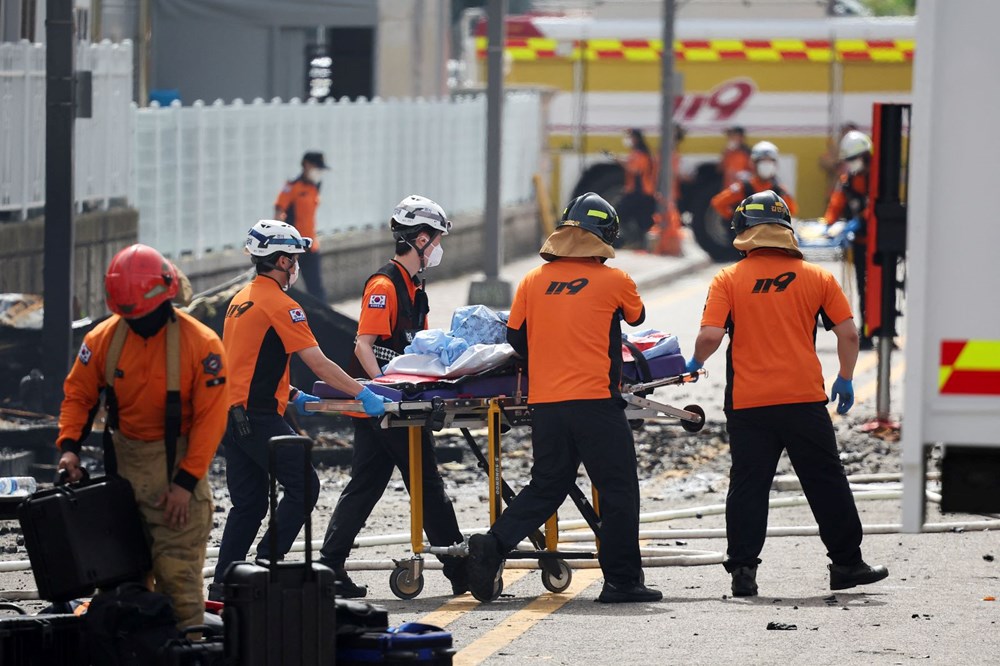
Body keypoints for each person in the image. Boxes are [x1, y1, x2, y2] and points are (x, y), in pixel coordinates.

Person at [684, 190, 888, 597]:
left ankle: (743, 571)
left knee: (748, 484)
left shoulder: (728, 279)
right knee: (825, 480)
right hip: (803, 400)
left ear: (744, 232)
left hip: (748, 402)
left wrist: (694, 361)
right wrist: (845, 377)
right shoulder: (817, 278)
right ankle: (847, 564)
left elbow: (710, 335)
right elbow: (848, 333)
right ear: (785, 231)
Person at [467, 192, 662, 604]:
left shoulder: (532, 281)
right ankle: (623, 581)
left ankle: (493, 544)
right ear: (603, 238)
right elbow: (636, 317)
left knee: (547, 486)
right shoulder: (616, 280)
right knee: (618, 489)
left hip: (548, 405)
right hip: (596, 403)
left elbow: (516, 338)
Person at [210, 220, 389, 600]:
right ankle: (265, 566)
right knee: (305, 486)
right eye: (293, 259)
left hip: (232, 416)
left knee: (250, 503)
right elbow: (319, 363)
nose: (296, 266)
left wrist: (291, 393)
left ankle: (225, 583)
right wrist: (364, 394)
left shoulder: (240, 299)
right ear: (279, 261)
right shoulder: (283, 305)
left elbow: (246, 361)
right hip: (257, 417)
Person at [56, 244, 229, 629]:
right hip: (122, 482)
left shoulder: (201, 345)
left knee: (179, 584)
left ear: (164, 298)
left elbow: (211, 419)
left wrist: (185, 484)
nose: (136, 323)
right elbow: (79, 395)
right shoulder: (102, 340)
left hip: (176, 477)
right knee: (118, 590)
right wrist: (69, 448)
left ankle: (187, 651)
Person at [318, 195, 468, 598]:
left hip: (393, 401)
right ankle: (460, 567)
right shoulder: (384, 286)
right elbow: (364, 344)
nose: (437, 247)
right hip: (384, 402)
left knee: (366, 482)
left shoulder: (413, 286)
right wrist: (386, 390)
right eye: (435, 239)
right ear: (420, 239)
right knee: (426, 479)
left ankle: (329, 565)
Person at [823, 129, 875, 350]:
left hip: (879, 244)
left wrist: (862, 220)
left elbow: (876, 204)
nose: (852, 164)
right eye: (849, 160)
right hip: (860, 244)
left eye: (855, 159)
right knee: (862, 291)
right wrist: (829, 225)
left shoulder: (878, 178)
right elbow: (836, 203)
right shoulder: (848, 181)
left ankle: (881, 331)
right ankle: (867, 332)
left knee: (879, 291)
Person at [274, 151, 329, 302]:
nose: (319, 172)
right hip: (293, 247)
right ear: (306, 165)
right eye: (316, 168)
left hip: (311, 246)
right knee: (285, 287)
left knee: (317, 290)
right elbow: (279, 212)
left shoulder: (315, 187)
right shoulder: (292, 187)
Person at [711, 140, 798, 222]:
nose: (766, 166)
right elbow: (718, 203)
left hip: (770, 236)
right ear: (753, 164)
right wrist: (736, 219)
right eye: (762, 161)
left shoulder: (780, 191)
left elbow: (792, 212)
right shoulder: (743, 188)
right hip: (747, 236)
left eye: (769, 162)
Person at [614, 128, 658, 249]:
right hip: (645, 193)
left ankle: (632, 241)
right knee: (643, 221)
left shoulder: (639, 154)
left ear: (636, 139)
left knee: (619, 215)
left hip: (638, 193)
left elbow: (634, 169)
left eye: (630, 137)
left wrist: (619, 161)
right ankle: (642, 244)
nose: (628, 140)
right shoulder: (643, 153)